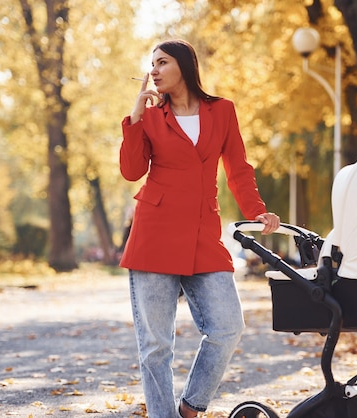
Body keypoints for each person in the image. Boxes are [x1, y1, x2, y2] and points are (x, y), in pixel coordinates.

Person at [119, 39, 280, 418]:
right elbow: (131, 170)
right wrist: (136, 116)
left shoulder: (221, 111)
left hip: (203, 235)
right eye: (152, 63)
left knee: (228, 326)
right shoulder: (151, 115)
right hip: (154, 235)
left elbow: (238, 168)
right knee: (156, 345)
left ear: (185, 66)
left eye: (162, 62)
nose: (154, 70)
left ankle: (190, 408)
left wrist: (257, 211)